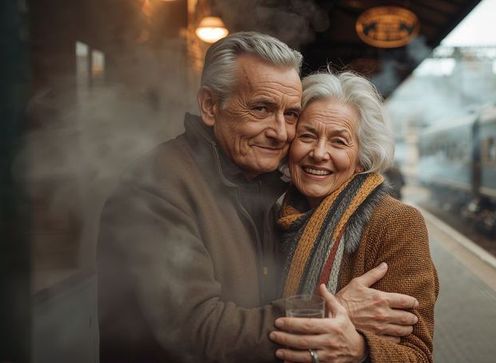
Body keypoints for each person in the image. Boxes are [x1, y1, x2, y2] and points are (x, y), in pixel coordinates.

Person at [97, 32, 419, 363]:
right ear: (210, 106)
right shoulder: (156, 186)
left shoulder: (270, 190)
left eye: (291, 114)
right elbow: (198, 329)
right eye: (261, 108)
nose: (280, 132)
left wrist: (362, 349)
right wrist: (329, 311)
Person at [269, 71, 439, 362]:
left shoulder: (396, 224)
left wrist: (359, 350)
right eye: (307, 136)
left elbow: (417, 355)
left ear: (362, 158)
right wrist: (336, 308)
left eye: (339, 141)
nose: (319, 153)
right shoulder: (270, 214)